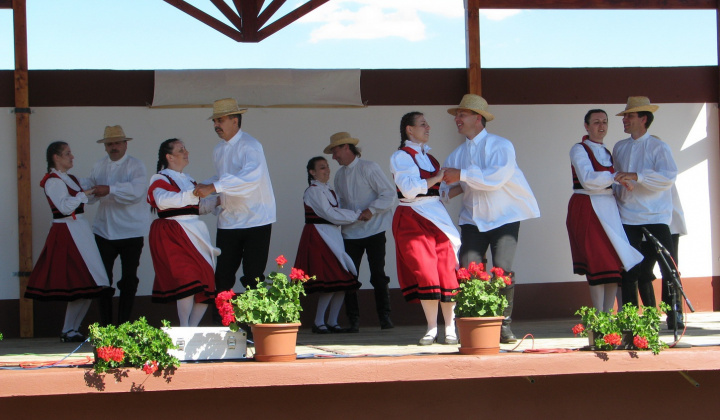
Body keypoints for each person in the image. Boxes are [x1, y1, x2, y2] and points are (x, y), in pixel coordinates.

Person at [442, 94, 540, 343]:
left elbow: (495, 178)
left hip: (504, 218)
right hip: (472, 220)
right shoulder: (457, 154)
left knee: (502, 271)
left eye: (462, 114)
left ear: (478, 118)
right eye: (457, 115)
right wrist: (442, 191)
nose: (457, 119)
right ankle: (472, 323)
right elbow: (453, 183)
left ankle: (503, 326)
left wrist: (461, 176)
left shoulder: (501, 145)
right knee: (467, 271)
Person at [194, 98, 276, 320]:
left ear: (235, 120)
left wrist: (213, 187)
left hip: (256, 220)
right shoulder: (219, 150)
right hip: (229, 220)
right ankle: (222, 324)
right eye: (215, 121)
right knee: (222, 276)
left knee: (253, 277)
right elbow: (223, 178)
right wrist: (204, 186)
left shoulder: (251, 145)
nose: (216, 125)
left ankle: (253, 326)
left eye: (220, 120)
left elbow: (250, 178)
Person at [25, 142, 113, 342]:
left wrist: (96, 194)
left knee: (92, 282)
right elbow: (64, 207)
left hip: (80, 230)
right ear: (56, 157)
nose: (72, 157)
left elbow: (82, 201)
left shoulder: (71, 179)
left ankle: (72, 328)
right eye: (67, 154)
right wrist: (87, 193)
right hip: (67, 231)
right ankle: (68, 329)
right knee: (81, 281)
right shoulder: (52, 181)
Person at [391, 112, 461, 345]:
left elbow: (436, 192)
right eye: (422, 124)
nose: (428, 127)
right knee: (426, 270)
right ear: (409, 130)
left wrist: (462, 186)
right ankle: (432, 328)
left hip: (435, 215)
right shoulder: (401, 157)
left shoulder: (430, 159)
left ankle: (450, 328)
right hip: (412, 216)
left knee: (446, 268)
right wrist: (440, 176)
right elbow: (410, 190)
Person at [612, 96, 680, 328]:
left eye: (629, 116)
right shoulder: (620, 147)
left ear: (643, 118)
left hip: (656, 217)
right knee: (629, 269)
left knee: (667, 267)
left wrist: (637, 176)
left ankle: (675, 315)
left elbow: (667, 177)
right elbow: (616, 177)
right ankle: (631, 319)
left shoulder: (658, 146)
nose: (625, 120)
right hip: (627, 216)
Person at [566, 109, 643, 312]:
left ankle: (608, 316)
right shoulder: (579, 149)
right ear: (586, 126)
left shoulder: (607, 152)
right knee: (597, 262)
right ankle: (599, 316)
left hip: (608, 208)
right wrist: (616, 177)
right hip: (588, 207)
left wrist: (621, 183)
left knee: (612, 263)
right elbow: (588, 180)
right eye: (596, 122)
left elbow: (610, 181)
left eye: (605, 122)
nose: (601, 126)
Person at [325, 132, 397, 332]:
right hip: (350, 233)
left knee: (378, 275)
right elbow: (340, 203)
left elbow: (389, 194)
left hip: (374, 230)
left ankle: (385, 318)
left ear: (347, 147)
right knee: (349, 277)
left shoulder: (369, 167)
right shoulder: (339, 175)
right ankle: (353, 321)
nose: (334, 156)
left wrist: (371, 210)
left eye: (336, 151)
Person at [147, 139, 219, 327]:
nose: (186, 152)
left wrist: (219, 200)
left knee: (206, 280)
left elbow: (198, 207)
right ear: (169, 157)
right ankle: (184, 327)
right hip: (173, 233)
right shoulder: (160, 179)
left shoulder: (188, 180)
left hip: (195, 233)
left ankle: (191, 329)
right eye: (181, 150)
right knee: (187, 279)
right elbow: (162, 201)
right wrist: (194, 194)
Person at [84, 125, 149, 325]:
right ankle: (105, 325)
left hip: (131, 231)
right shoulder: (99, 165)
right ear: (105, 147)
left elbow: (136, 193)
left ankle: (124, 324)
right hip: (104, 230)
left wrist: (109, 189)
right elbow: (92, 194)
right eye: (110, 144)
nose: (114, 147)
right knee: (102, 280)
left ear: (125, 144)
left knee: (129, 280)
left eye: (117, 143)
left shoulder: (136, 165)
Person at [295, 157, 362, 333]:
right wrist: (355, 215)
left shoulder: (328, 190)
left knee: (342, 280)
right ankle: (319, 321)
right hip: (319, 236)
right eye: (322, 168)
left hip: (332, 235)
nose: (327, 170)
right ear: (312, 172)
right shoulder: (313, 191)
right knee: (331, 278)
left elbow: (334, 213)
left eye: (327, 167)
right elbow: (329, 213)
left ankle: (332, 321)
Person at [638, 185, 686, 313]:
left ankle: (675, 314)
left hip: (668, 223)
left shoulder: (662, 166)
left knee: (670, 271)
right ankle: (650, 314)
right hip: (639, 221)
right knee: (642, 271)